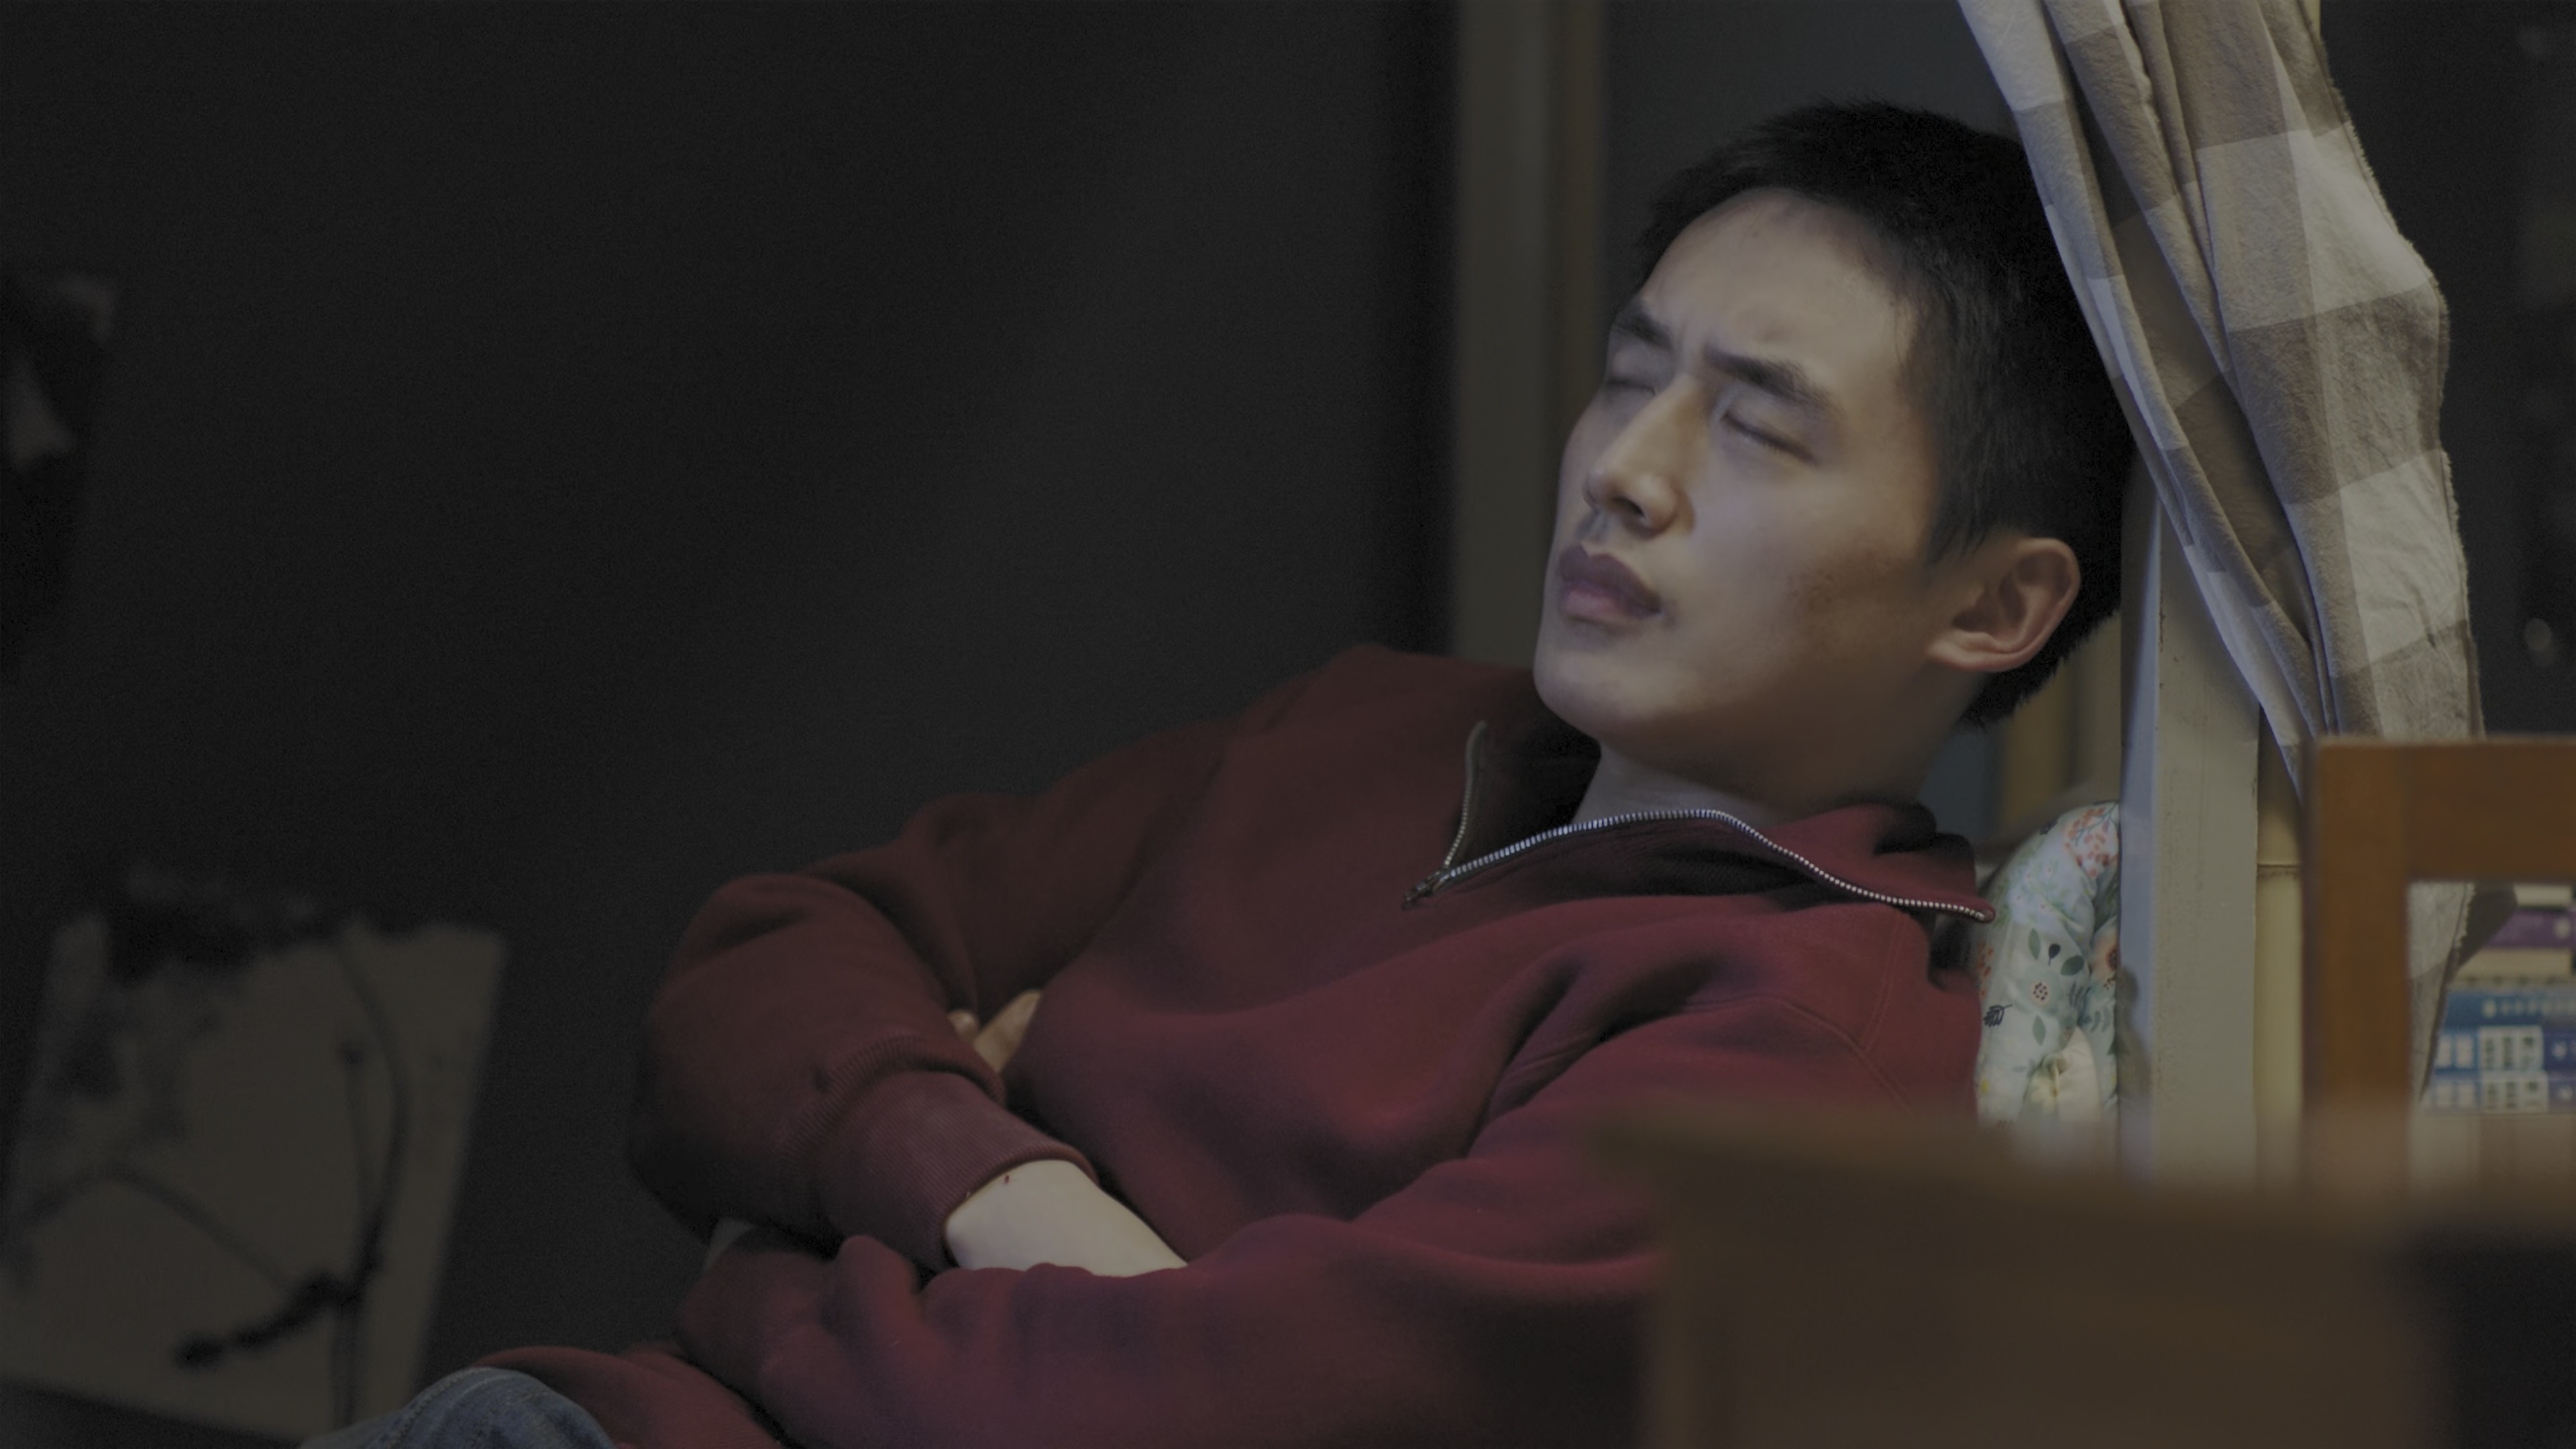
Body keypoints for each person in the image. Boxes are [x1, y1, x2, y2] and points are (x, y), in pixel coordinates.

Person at [310, 99, 2131, 1449]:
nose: (1621, 470)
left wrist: (780, 1251)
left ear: (1995, 604)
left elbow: (1189, 1427)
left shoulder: (1817, 1034)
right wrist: (1002, 1194)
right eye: (1626, 373)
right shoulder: (1372, 727)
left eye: (1754, 426)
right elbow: (752, 974)